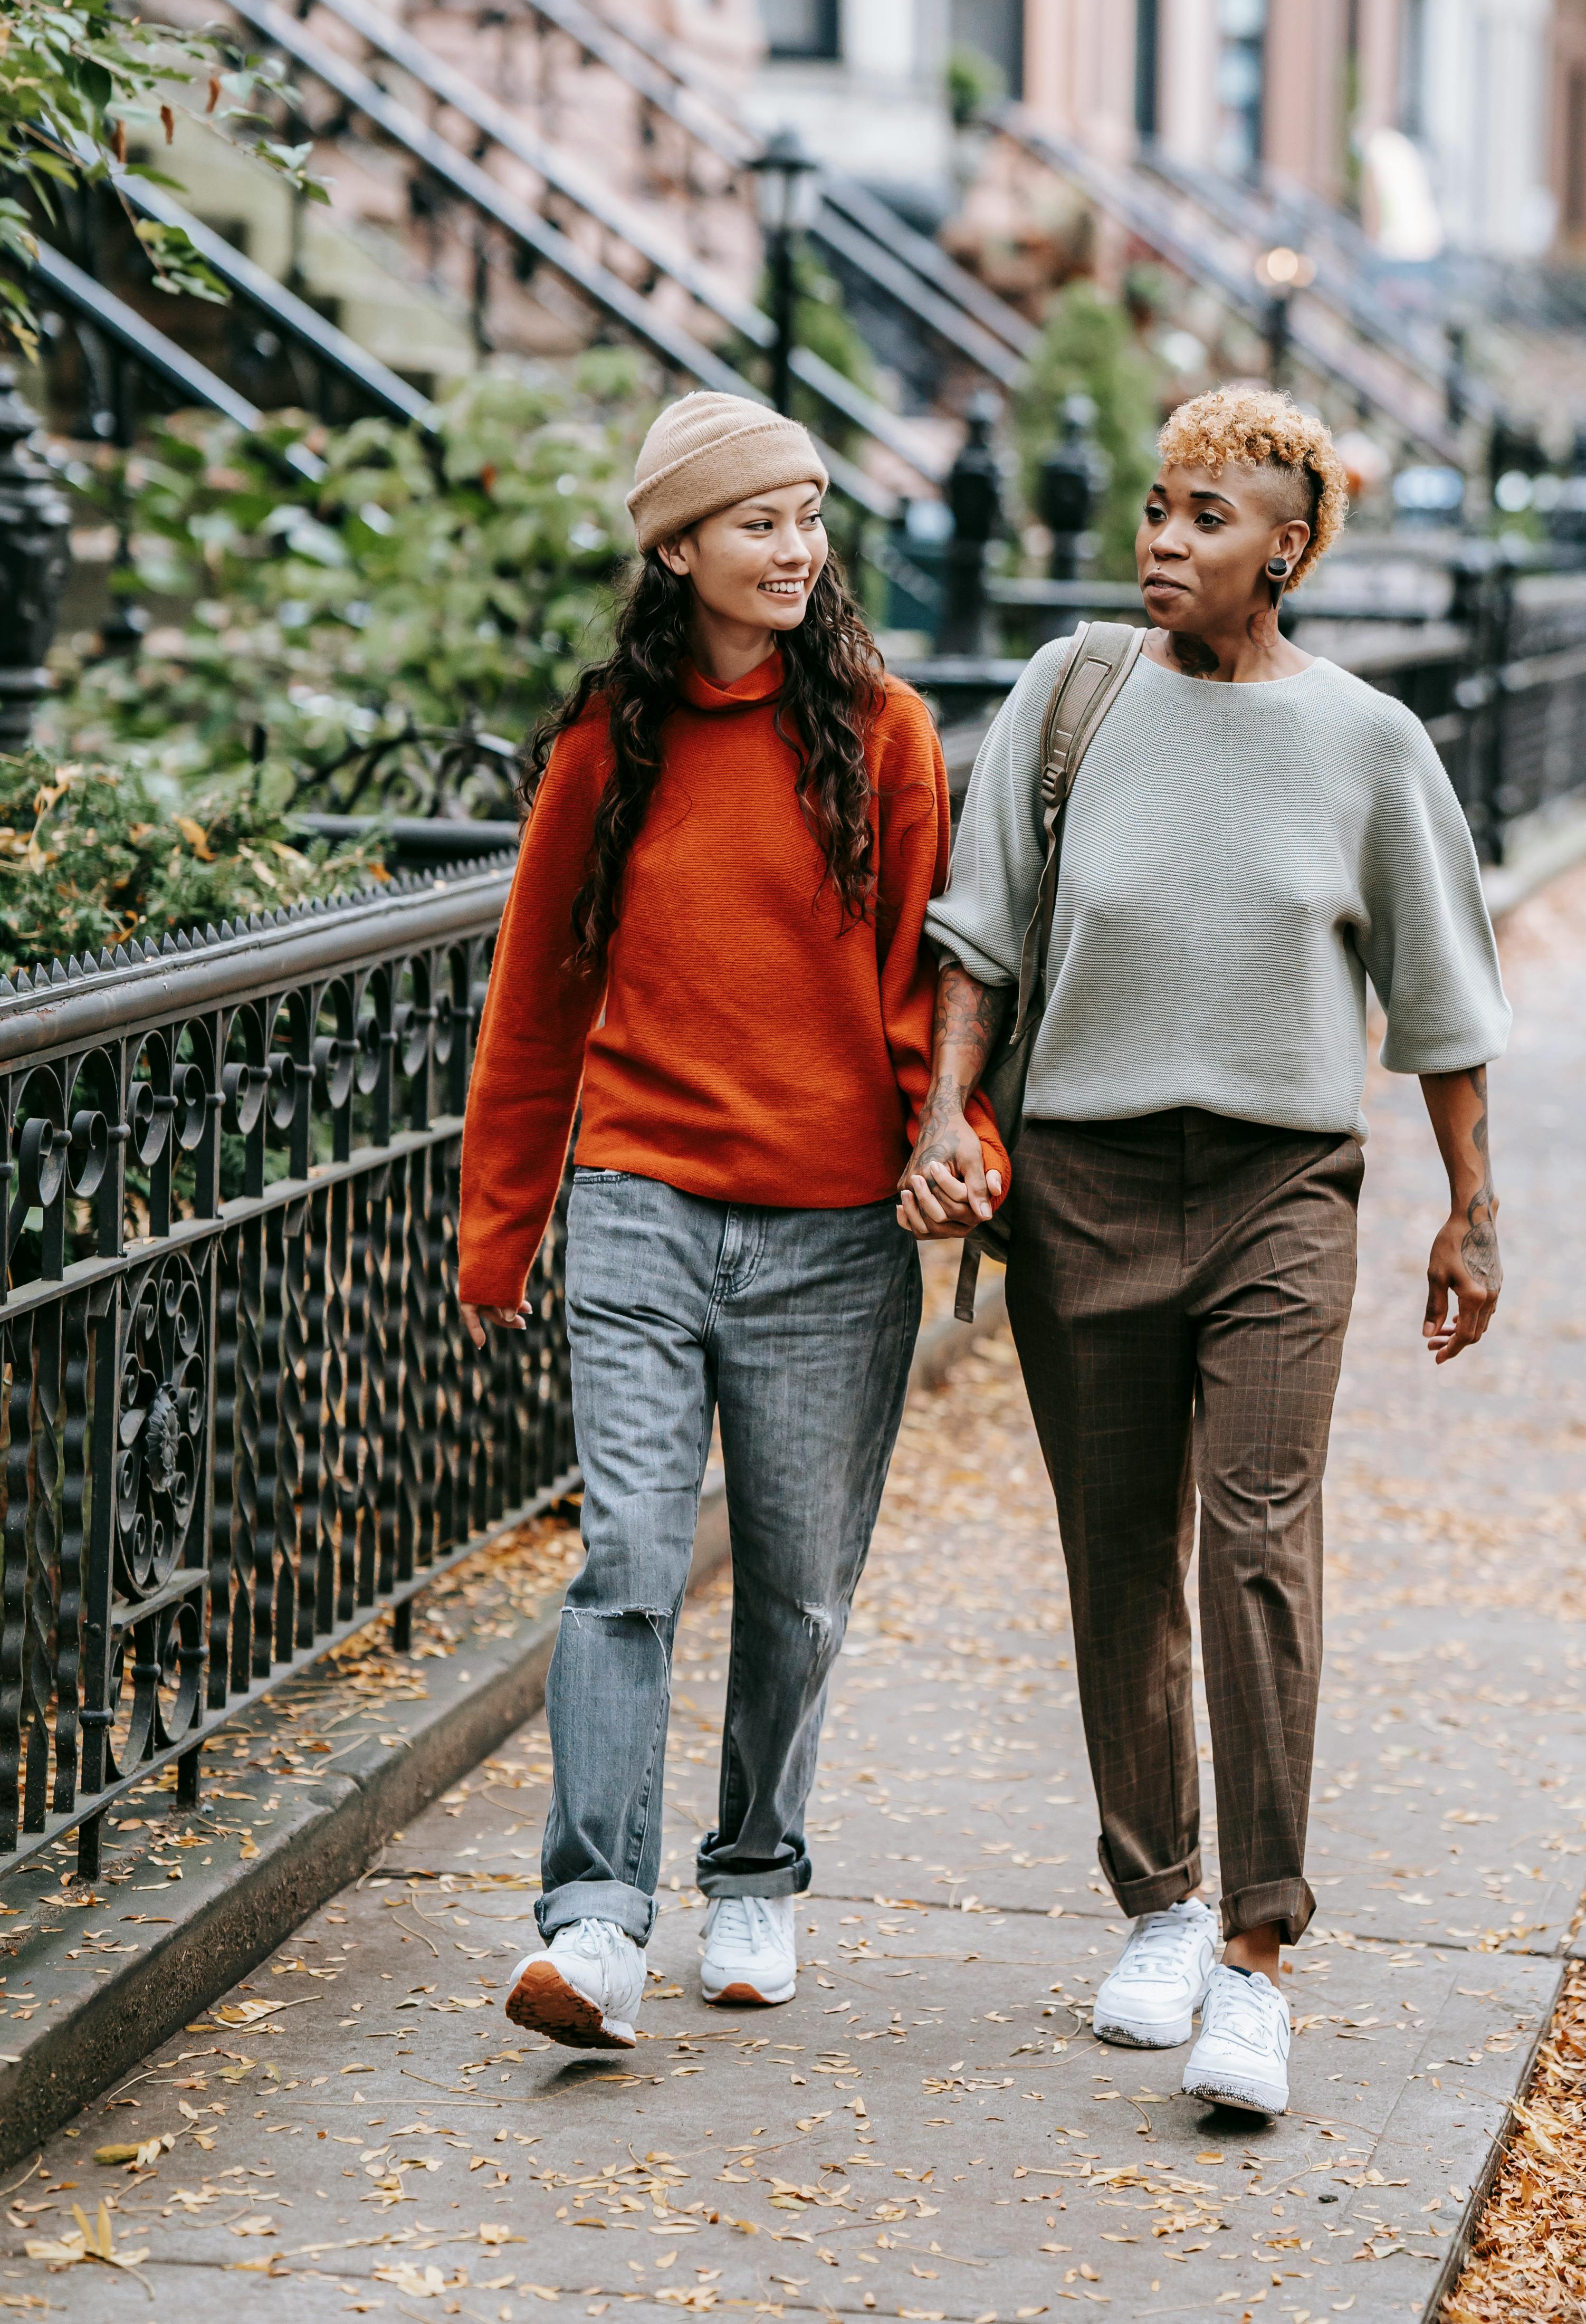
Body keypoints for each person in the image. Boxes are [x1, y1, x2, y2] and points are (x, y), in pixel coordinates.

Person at [900, 384, 1508, 2120]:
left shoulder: (1366, 741)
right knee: (1116, 1552)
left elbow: (1443, 1004)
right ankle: (1155, 1900)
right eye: (1157, 506)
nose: (1164, 538)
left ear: (1288, 549)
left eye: (1208, 516)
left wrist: (1474, 1209)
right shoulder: (1069, 694)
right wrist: (948, 1120)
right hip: (1081, 1180)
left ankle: (1254, 1950)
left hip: (1280, 1188)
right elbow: (981, 933)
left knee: (1253, 1541)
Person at [457, 390, 1004, 2051]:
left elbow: (934, 979)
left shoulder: (887, 732)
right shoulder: (600, 746)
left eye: (809, 515)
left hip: (833, 1229)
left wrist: (952, 1131)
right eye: (756, 519)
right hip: (637, 1202)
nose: (793, 546)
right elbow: (534, 998)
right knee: (626, 1557)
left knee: (797, 1584)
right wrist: (503, 1221)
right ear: (676, 544)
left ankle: (754, 1872)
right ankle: (598, 1920)